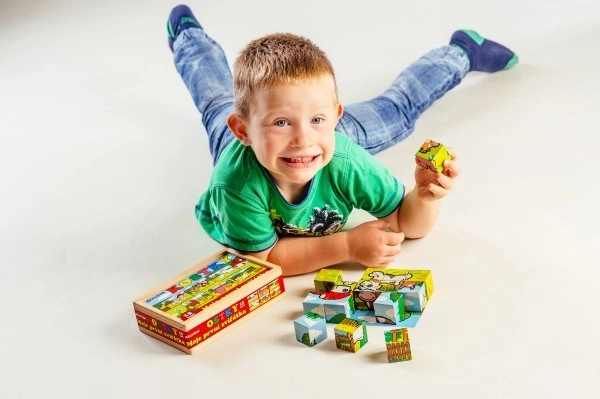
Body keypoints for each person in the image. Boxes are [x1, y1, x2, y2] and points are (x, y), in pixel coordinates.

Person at [166, 4, 518, 276]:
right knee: (216, 103)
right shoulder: (235, 186)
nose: (302, 139)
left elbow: (407, 225)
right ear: (243, 130)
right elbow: (267, 260)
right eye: (282, 122)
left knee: (395, 110)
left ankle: (461, 51)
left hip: (333, 146)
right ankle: (188, 37)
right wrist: (346, 245)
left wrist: (424, 197)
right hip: (243, 155)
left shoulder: (343, 157)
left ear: (336, 117)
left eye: (317, 119)